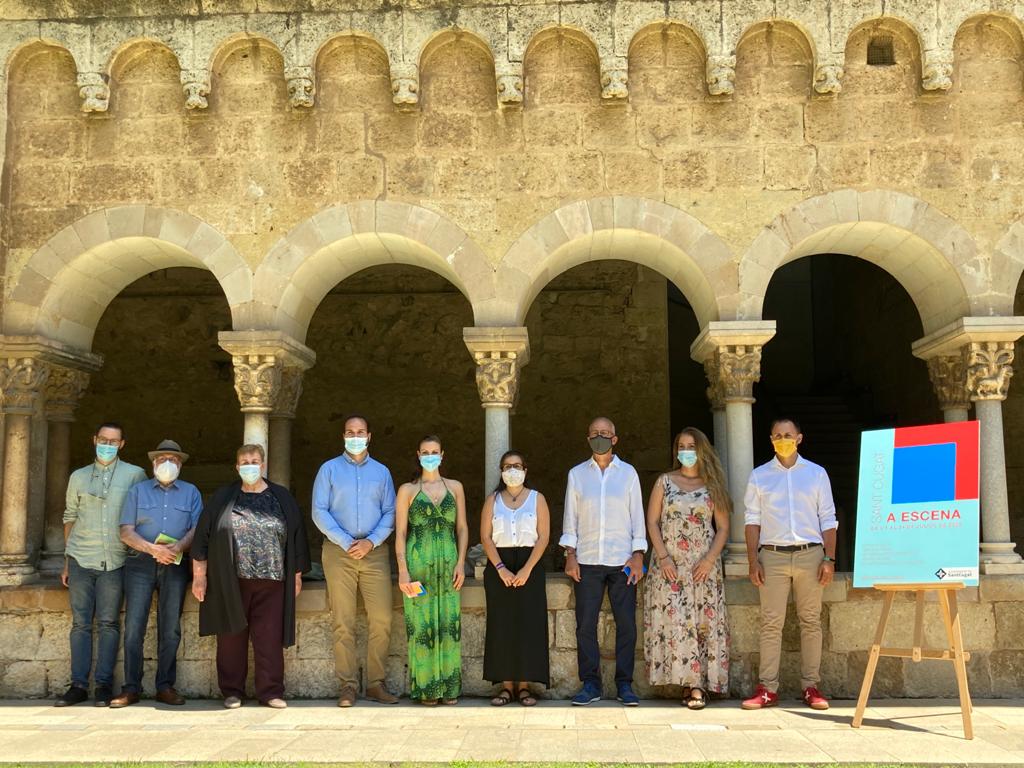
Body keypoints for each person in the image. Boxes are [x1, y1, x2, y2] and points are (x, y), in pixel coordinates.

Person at [192, 444, 310, 709]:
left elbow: (296, 535)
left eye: (254, 461)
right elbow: (202, 537)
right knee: (231, 637)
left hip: (273, 579)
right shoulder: (223, 497)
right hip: (231, 580)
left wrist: (297, 575)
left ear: (263, 465)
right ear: (236, 466)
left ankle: (270, 692)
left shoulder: (282, 497)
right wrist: (200, 576)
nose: (249, 465)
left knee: (269, 637)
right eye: (244, 461)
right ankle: (232, 691)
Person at [742, 418, 838, 711]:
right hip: (772, 555)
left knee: (811, 622)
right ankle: (768, 689)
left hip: (810, 554)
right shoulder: (760, 476)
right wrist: (752, 560)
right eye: (777, 435)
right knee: (771, 624)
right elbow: (752, 520)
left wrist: (829, 559)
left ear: (799, 438)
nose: (782, 439)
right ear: (771, 439)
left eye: (788, 435)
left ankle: (811, 686)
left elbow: (828, 518)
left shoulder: (816, 474)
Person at [57, 422, 147, 707]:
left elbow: (141, 516)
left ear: (122, 444)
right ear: (94, 440)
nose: (107, 445)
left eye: (113, 441)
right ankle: (78, 685)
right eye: (102, 440)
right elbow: (69, 516)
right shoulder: (79, 477)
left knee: (109, 623)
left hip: (116, 560)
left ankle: (104, 685)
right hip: (82, 557)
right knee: (80, 624)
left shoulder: (135, 475)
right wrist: (67, 560)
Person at [312, 414, 399, 707]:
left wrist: (371, 541)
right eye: (350, 432)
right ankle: (347, 685)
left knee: (382, 618)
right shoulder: (329, 470)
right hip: (339, 552)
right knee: (343, 620)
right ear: (343, 436)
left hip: (374, 552)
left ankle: (375, 683)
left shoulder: (382, 472)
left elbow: (391, 511)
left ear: (369, 436)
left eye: (360, 431)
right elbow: (319, 511)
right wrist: (346, 541)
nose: (355, 436)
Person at [561, 416, 647, 707]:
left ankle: (625, 685)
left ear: (615, 439)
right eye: (595, 433)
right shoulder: (577, 475)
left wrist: (638, 556)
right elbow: (570, 519)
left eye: (605, 433)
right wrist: (570, 555)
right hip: (587, 560)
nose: (600, 437)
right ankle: (591, 684)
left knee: (626, 625)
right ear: (588, 438)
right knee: (585, 624)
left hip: (622, 560)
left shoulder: (629, 474)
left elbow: (638, 517)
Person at [111, 439, 203, 708]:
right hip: (140, 563)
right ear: (153, 463)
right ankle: (131, 688)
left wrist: (177, 547)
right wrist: (153, 549)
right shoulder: (138, 491)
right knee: (134, 628)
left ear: (181, 465)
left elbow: (197, 528)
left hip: (175, 564)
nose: (168, 464)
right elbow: (125, 531)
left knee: (170, 628)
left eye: (173, 460)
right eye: (162, 459)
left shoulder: (191, 492)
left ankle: (165, 686)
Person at [643, 428, 731, 709]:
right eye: (681, 446)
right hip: (670, 566)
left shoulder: (712, 484)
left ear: (702, 449)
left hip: (702, 565)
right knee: (677, 621)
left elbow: (724, 528)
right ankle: (683, 680)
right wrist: (664, 557)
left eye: (691, 445)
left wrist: (708, 560)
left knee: (701, 622)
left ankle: (698, 685)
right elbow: (652, 522)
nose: (686, 450)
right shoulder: (664, 482)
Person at [395, 435, 468, 705]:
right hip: (418, 564)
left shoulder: (456, 487)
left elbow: (461, 527)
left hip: (449, 563)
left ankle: (449, 689)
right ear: (418, 454)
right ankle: (426, 688)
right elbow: (401, 532)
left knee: (449, 624)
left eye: (434, 451)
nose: (430, 455)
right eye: (425, 451)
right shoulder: (407, 490)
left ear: (442, 454)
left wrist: (462, 562)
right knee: (422, 626)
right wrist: (402, 570)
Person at [480, 450, 550, 706]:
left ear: (525, 470)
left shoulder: (536, 499)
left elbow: (543, 537)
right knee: (502, 626)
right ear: (501, 471)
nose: (512, 470)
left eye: (517, 466)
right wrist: (501, 568)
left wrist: (526, 570)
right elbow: (486, 537)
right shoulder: (493, 500)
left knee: (528, 626)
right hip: (499, 566)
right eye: (507, 466)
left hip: (530, 566)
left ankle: (524, 687)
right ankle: (506, 686)